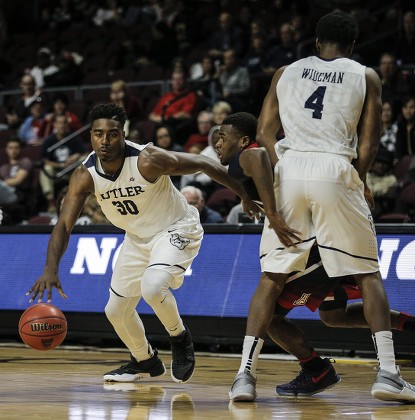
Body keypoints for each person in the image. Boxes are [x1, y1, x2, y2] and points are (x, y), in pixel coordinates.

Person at [240, 10, 415, 403]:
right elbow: (368, 143)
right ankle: (388, 373)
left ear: (316, 43)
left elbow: (265, 132)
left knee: (272, 277)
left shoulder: (285, 70)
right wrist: (361, 179)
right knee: (368, 274)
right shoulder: (365, 74)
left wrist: (285, 167)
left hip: (290, 167)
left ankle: (244, 377)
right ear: (352, 46)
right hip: (335, 168)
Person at [26, 103, 257, 385]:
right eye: (98, 134)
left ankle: (179, 337)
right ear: (91, 136)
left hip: (176, 227)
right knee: (115, 310)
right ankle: (144, 360)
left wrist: (244, 194)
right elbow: (63, 224)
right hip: (136, 238)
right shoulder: (84, 174)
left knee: (152, 286)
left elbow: (203, 163)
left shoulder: (147, 159)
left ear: (123, 134)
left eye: (112, 134)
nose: (105, 141)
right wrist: (50, 268)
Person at [39, 114, 86, 213]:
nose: (62, 126)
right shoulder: (49, 140)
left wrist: (76, 155)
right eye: (59, 123)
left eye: (64, 123)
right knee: (46, 169)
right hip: (56, 172)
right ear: (54, 125)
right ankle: (51, 203)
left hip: (72, 171)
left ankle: (84, 201)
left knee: (84, 159)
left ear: (67, 124)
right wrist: (61, 165)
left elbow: (85, 153)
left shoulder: (73, 137)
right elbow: (44, 160)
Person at [0, 137, 34, 223]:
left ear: (20, 149)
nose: (13, 150)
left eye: (16, 148)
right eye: (10, 148)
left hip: (19, 195)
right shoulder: (3, 168)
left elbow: (18, 180)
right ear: (6, 150)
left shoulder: (25, 162)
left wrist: (4, 184)